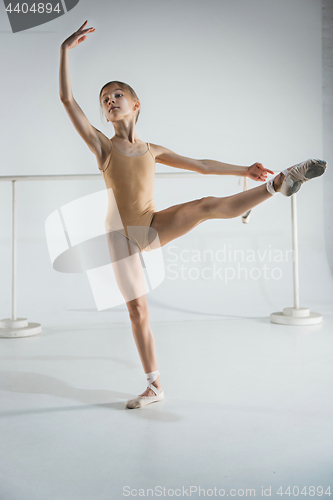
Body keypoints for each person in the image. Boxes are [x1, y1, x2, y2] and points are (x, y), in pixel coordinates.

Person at [59, 21, 327, 409]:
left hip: (151, 225)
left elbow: (200, 163)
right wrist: (65, 51)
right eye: (103, 99)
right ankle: (154, 385)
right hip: (121, 236)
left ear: (135, 105)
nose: (109, 100)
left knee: (204, 206)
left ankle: (277, 184)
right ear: (103, 115)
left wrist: (244, 170)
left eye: (117, 94)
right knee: (138, 310)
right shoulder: (103, 147)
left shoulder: (152, 149)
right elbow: (68, 102)